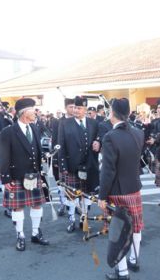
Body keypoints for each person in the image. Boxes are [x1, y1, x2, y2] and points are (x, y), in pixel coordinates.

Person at [98, 98, 144, 280]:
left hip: (117, 190)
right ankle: (134, 260)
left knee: (119, 230)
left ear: (112, 114)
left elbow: (108, 171)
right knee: (136, 227)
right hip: (134, 188)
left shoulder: (110, 137)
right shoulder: (138, 133)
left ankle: (123, 272)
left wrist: (102, 196)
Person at [0, 98, 50, 251]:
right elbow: (3, 156)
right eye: (33, 110)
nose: (35, 113)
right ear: (23, 113)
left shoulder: (34, 127)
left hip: (33, 174)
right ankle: (20, 235)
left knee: (37, 204)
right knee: (18, 208)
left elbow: (36, 149)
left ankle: (35, 233)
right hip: (17, 175)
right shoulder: (8, 132)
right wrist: (6, 178)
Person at [58, 96, 101, 233]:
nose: (76, 110)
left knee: (87, 195)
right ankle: (71, 219)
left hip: (89, 166)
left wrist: (98, 143)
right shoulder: (64, 123)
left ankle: (85, 219)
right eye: (75, 107)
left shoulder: (94, 123)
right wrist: (63, 167)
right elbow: (61, 146)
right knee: (72, 196)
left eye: (79, 108)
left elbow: (98, 139)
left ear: (85, 109)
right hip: (72, 166)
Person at [51, 98, 75, 216]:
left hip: (75, 159)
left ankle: (73, 207)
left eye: (75, 107)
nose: (73, 109)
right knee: (61, 183)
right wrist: (56, 158)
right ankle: (62, 203)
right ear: (66, 108)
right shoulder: (58, 121)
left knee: (73, 187)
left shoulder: (78, 120)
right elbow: (55, 140)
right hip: (62, 157)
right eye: (71, 107)